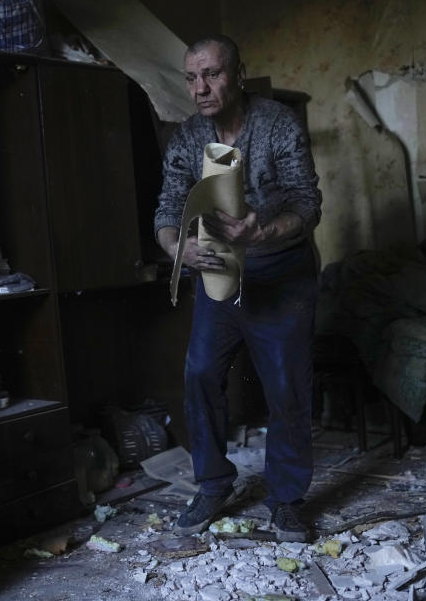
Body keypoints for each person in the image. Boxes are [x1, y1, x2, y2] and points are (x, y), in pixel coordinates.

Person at [154, 34, 321, 541]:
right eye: (191, 77)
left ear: (239, 74)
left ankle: (287, 498)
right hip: (217, 271)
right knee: (200, 373)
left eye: (213, 74)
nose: (201, 87)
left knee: (286, 386)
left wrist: (263, 232)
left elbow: (307, 204)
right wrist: (176, 248)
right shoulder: (186, 137)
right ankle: (212, 483)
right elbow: (167, 209)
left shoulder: (277, 124)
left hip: (281, 271)